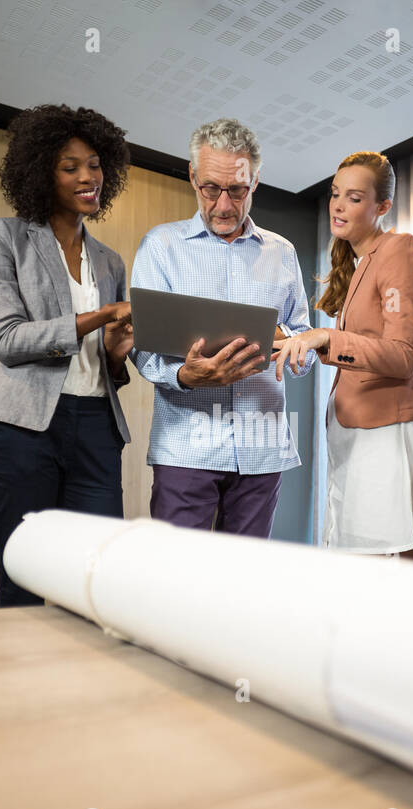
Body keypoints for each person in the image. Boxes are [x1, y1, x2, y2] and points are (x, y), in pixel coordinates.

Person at [0, 104, 136, 606]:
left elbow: (110, 367)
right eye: (70, 167)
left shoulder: (110, 260)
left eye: (94, 165)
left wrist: (114, 354)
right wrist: (102, 315)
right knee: (22, 578)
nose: (87, 177)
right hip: (25, 429)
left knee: (92, 582)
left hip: (96, 429)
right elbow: (7, 340)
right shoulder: (6, 237)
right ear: (43, 173)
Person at [130, 118, 316, 538]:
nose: (224, 205)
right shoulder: (160, 246)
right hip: (185, 448)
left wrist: (293, 346)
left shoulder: (283, 252)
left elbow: (304, 343)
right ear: (194, 177)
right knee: (177, 580)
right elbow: (141, 347)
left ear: (255, 181)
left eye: (238, 190)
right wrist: (183, 375)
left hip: (262, 447)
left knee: (244, 587)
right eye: (211, 189)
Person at [272, 152, 413, 559]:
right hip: (356, 433)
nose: (337, 205)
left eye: (353, 197)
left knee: (398, 575)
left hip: (390, 432)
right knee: (358, 573)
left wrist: (326, 338)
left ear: (381, 207)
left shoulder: (399, 250)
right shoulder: (359, 263)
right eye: (335, 194)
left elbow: (404, 356)